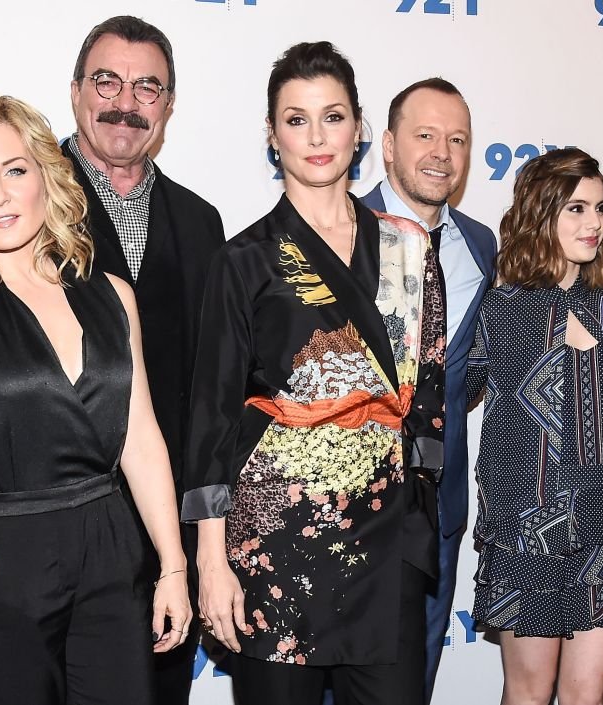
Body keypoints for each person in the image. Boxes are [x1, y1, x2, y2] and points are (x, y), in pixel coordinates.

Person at [0, 17, 225, 702]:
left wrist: (170, 563)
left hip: (112, 556)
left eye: (14, 170)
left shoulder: (111, 296)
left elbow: (141, 438)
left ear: (46, 174)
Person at [181, 41, 444, 705]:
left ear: (359, 128)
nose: (317, 136)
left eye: (332, 116)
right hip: (278, 552)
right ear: (272, 137)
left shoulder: (411, 248)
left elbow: (431, 394)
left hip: (387, 551)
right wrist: (212, 561)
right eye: (296, 120)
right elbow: (211, 422)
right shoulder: (244, 261)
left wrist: (418, 518)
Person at [463, 148, 603, 705]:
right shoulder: (498, 309)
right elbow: (460, 390)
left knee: (588, 692)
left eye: (600, 208)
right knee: (528, 691)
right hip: (530, 529)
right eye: (575, 209)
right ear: (540, 215)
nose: (593, 223)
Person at [359, 79, 496, 702]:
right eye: (425, 135)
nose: (442, 152)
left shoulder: (480, 243)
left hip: (439, 504)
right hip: (349, 510)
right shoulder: (343, 231)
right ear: (388, 146)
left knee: (415, 678)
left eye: (457, 139)